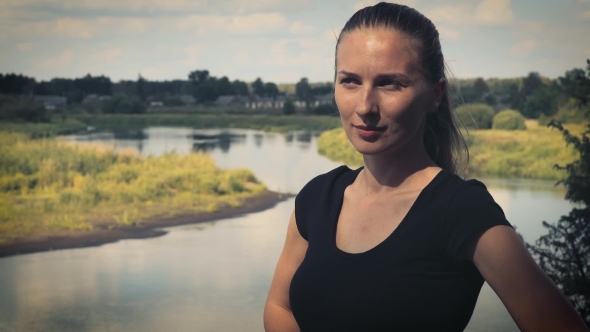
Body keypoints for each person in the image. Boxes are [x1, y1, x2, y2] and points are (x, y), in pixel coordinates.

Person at [264, 2, 589, 331]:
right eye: (349, 81)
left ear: (435, 95)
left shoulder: (461, 211)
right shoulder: (316, 198)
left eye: (390, 83)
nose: (364, 106)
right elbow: (280, 307)